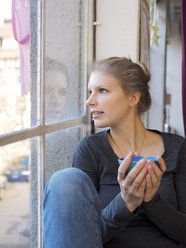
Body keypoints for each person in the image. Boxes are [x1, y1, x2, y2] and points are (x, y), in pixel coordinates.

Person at [43, 57, 186, 248]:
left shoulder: (178, 148)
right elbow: (84, 237)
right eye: (90, 92)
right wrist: (126, 201)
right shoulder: (90, 150)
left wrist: (152, 199)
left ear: (132, 98)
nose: (89, 101)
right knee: (64, 181)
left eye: (102, 91)